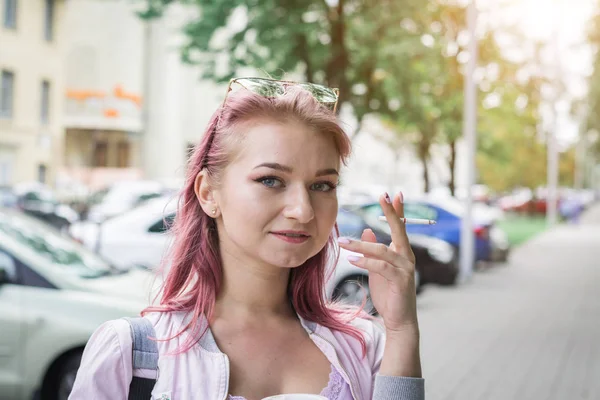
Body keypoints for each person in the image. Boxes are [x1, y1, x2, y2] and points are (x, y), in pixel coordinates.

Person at [69, 78, 424, 400]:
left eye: (322, 185)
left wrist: (402, 328)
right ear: (208, 193)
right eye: (271, 180)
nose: (303, 210)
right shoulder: (132, 354)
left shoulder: (365, 346)